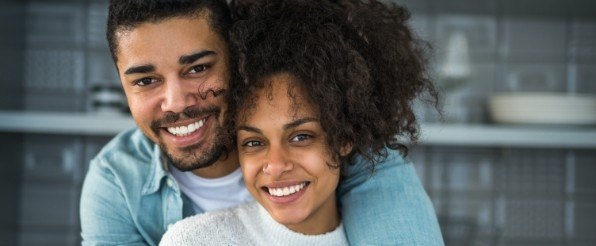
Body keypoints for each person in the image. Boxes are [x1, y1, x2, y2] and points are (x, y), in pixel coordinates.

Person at [80, 0, 443, 245]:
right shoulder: (117, 182)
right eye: (145, 80)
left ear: (238, 58)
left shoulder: (357, 149)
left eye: (198, 68)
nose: (175, 103)